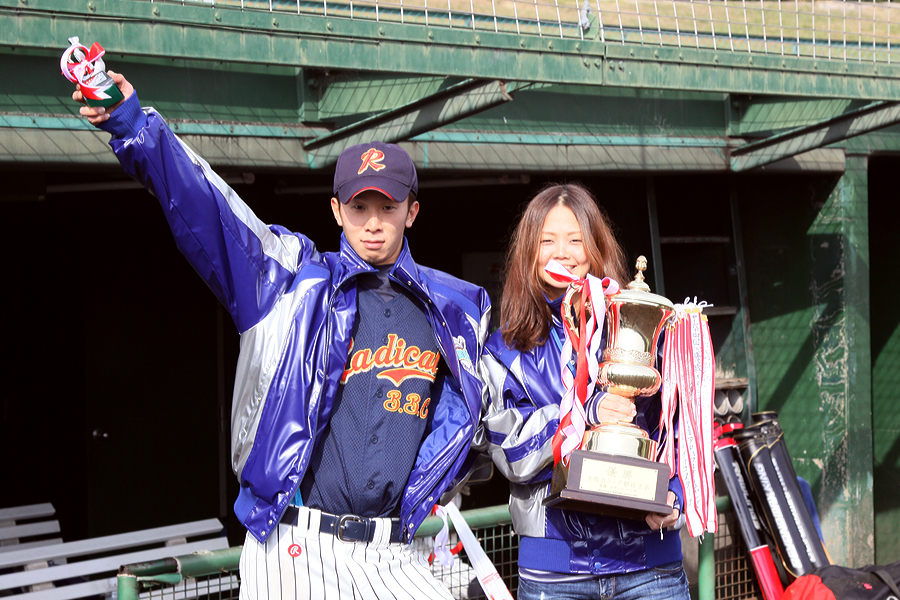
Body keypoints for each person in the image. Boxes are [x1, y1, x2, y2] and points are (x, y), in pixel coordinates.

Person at [73, 72, 492, 600]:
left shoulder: (453, 309)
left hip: (392, 550)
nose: (373, 223)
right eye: (359, 207)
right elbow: (210, 209)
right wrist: (133, 124)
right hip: (295, 546)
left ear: (411, 212)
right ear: (336, 210)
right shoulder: (290, 283)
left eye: (388, 207)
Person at [479, 183, 690, 600]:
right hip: (555, 570)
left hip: (651, 565)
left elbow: (679, 428)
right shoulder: (504, 349)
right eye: (547, 241)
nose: (563, 253)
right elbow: (511, 453)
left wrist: (675, 494)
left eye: (576, 240)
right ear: (528, 251)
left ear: (595, 248)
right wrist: (586, 412)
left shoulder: (639, 327)